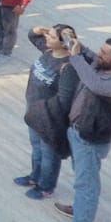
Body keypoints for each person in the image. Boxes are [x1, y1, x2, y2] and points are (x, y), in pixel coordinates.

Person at [53, 35, 111, 222]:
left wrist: (75, 57)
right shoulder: (104, 66)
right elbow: (90, 57)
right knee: (83, 176)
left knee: (87, 184)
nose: (99, 54)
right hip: (78, 131)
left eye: (105, 53)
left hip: (90, 137)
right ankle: (81, 208)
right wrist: (75, 44)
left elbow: (94, 84)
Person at [18, 23, 78, 201]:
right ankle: (34, 176)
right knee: (36, 146)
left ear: (63, 43)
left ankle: (46, 186)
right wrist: (37, 30)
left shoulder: (68, 67)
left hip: (50, 117)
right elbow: (32, 36)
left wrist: (50, 115)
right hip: (34, 110)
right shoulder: (48, 52)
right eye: (48, 35)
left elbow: (65, 99)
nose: (46, 38)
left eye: (51, 37)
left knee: (49, 153)